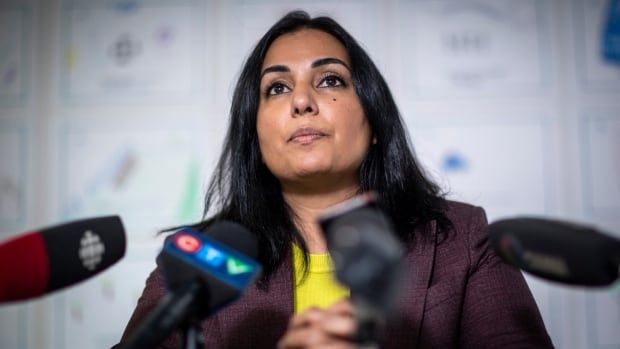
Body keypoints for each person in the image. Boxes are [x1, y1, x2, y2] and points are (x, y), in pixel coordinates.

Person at [115, 10, 553, 349]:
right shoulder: (202, 258)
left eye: (329, 80)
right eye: (277, 88)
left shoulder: (463, 239)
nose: (302, 100)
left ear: (375, 119)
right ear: (256, 134)